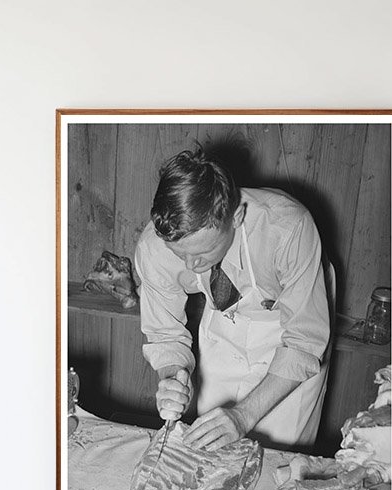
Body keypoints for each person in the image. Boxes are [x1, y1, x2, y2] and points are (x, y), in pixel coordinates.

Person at [134, 146, 332, 451]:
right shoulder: (154, 247)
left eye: (201, 253)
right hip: (223, 319)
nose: (189, 266)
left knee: (278, 454)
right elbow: (164, 335)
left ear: (236, 216)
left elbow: (304, 342)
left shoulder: (289, 228)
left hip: (289, 328)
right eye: (179, 254)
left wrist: (243, 416)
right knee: (210, 446)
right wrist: (174, 376)